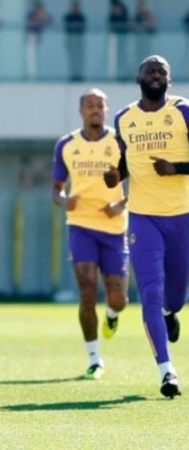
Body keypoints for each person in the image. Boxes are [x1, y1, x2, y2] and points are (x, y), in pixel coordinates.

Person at [104, 55, 189, 398]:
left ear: (169, 79)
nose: (156, 75)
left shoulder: (183, 111)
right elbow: (125, 163)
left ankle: (172, 312)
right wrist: (115, 176)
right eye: (150, 71)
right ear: (138, 77)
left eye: (162, 71)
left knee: (176, 295)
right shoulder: (124, 118)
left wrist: (178, 168)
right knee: (150, 293)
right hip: (143, 217)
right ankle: (167, 372)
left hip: (182, 215)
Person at [52, 88, 129, 380]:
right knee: (86, 292)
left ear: (107, 110)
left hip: (113, 227)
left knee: (118, 299)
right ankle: (94, 359)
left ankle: (112, 315)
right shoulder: (67, 145)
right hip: (81, 225)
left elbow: (143, 180)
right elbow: (56, 188)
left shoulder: (119, 142)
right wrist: (63, 200)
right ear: (81, 111)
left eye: (100, 105)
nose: (95, 110)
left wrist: (121, 203)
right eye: (90, 105)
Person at [64, 0, 86, 82]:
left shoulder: (81, 17)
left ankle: (79, 75)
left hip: (79, 42)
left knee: (79, 59)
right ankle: (73, 75)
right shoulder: (68, 17)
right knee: (72, 59)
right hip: (72, 41)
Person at [108, 0, 130, 81]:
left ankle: (123, 76)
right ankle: (116, 76)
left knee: (123, 58)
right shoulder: (112, 16)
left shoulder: (123, 11)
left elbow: (125, 25)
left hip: (122, 41)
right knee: (115, 59)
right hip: (114, 42)